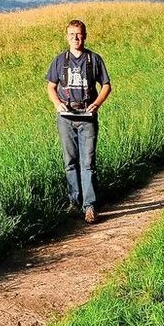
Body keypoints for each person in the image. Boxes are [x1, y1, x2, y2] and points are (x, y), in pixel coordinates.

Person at [45, 19, 111, 223]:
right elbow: (50, 87)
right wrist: (57, 103)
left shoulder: (94, 60)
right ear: (67, 37)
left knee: (88, 164)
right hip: (66, 119)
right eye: (72, 34)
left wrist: (97, 104)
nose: (75, 38)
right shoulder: (59, 61)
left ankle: (89, 206)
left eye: (79, 34)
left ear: (85, 35)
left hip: (87, 118)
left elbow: (107, 85)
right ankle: (74, 203)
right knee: (69, 162)